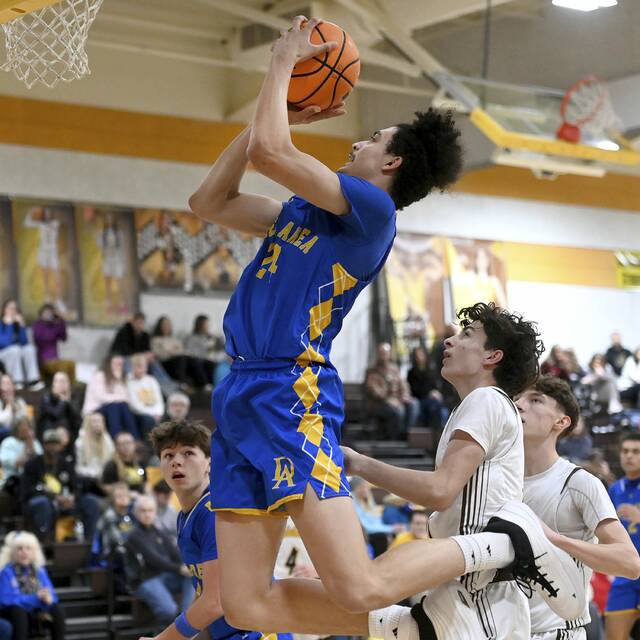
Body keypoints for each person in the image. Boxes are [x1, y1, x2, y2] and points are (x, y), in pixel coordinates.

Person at [189, 18, 579, 640]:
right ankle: (407, 626)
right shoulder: (305, 214)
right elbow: (208, 202)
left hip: (292, 393)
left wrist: (284, 66)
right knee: (245, 606)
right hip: (240, 394)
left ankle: (510, 544)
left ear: (391, 161)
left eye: (371, 138)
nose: (357, 143)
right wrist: (264, 120)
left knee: (357, 583)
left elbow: (273, 152)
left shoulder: (372, 213)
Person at [343, 303, 586, 640]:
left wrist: (361, 464)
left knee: (359, 590)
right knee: (336, 601)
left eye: (467, 334)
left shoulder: (486, 399)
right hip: (471, 591)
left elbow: (439, 491)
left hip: (479, 593)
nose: (449, 341)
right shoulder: (477, 405)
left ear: (492, 357)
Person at [516, 375, 640, 640]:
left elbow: (629, 562)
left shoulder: (579, 482)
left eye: (534, 400)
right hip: (505, 631)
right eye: (517, 398)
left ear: (561, 422)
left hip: (556, 631)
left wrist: (554, 539)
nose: (519, 405)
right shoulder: (498, 481)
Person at [146, 419, 292, 640]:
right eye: (168, 455)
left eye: (188, 453)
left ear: (209, 465)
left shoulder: (212, 512)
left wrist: (164, 639)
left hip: (258, 633)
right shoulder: (185, 516)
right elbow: (204, 593)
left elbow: (215, 602)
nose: (177, 462)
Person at [124, 495, 194, 628]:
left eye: (150, 511)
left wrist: (187, 566)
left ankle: (186, 620)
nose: (147, 514)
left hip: (164, 577)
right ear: (136, 513)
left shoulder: (158, 532)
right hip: (144, 579)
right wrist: (179, 568)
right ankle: (165, 633)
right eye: (143, 511)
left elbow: (175, 553)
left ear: (155, 512)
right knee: (169, 610)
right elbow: (153, 559)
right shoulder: (134, 535)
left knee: (191, 576)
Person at [20, 428, 101, 542]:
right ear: (44, 445)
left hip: (65, 503)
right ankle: (45, 544)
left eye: (55, 443)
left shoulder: (66, 463)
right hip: (42, 503)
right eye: (49, 443)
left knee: (90, 502)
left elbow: (76, 485)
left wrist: (73, 497)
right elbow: (28, 490)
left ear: (60, 446)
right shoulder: (32, 465)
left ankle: (90, 542)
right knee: (42, 503)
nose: (53, 447)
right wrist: (54, 498)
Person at [604, 432, 640, 639]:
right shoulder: (615, 489)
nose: (629, 456)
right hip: (624, 576)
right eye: (625, 451)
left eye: (636, 452)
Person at [0, 530, 65, 640]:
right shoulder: (7, 571)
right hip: (12, 612)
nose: (24, 552)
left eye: (28, 548)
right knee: (18, 611)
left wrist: (49, 599)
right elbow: (7, 600)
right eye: (20, 549)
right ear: (13, 553)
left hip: (36, 609)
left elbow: (52, 594)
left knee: (56, 608)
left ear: (34, 552)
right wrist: (35, 598)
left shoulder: (40, 571)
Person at [83, 354, 153, 441]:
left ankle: (135, 442)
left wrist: (118, 380)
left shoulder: (123, 378)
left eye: (121, 364)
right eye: (116, 363)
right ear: (109, 364)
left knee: (124, 406)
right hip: (95, 409)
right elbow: (100, 397)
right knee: (114, 405)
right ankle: (117, 439)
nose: (119, 366)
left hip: (117, 407)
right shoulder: (99, 376)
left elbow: (126, 398)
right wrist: (118, 398)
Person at [365, 342, 420, 439]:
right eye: (382, 353)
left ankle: (406, 432)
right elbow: (373, 389)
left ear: (389, 354)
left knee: (414, 404)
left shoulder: (395, 369)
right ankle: (396, 437)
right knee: (398, 410)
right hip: (379, 404)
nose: (384, 356)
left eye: (386, 353)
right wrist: (388, 399)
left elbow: (403, 384)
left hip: (396, 400)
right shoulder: (372, 371)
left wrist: (405, 395)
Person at [111, 312, 176, 394]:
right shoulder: (123, 333)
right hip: (124, 358)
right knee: (130, 362)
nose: (140, 325)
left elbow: (147, 350)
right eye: (138, 322)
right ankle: (132, 387)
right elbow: (123, 351)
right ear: (133, 322)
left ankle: (169, 388)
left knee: (154, 363)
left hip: (140, 359)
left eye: (142, 323)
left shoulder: (145, 335)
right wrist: (142, 355)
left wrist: (149, 356)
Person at [151, 316, 213, 390]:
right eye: (164, 325)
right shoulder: (156, 340)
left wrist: (173, 351)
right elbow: (159, 354)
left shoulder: (174, 339)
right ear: (160, 326)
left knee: (192, 359)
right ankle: (182, 383)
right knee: (182, 359)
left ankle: (204, 383)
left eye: (168, 325)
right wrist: (171, 353)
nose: (167, 327)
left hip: (178, 360)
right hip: (166, 362)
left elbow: (182, 350)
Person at [0, 299, 43, 391]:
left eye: (15, 309)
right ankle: (16, 381)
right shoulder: (1, 324)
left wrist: (22, 327)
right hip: (3, 353)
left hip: (16, 352)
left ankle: (33, 380)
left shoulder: (17, 324)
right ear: (4, 310)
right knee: (15, 349)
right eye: (10, 308)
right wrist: (9, 326)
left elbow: (24, 342)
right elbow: (4, 343)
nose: (13, 311)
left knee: (30, 349)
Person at [31, 303, 75, 385]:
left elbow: (63, 338)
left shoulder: (54, 325)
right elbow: (39, 340)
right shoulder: (38, 325)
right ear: (41, 314)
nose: (48, 315)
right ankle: (61, 386)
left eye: (50, 313)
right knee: (62, 366)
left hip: (55, 358)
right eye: (46, 312)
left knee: (71, 364)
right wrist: (53, 326)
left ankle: (72, 386)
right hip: (44, 359)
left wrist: (61, 321)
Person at [407, 345, 449, 429]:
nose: (419, 357)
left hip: (432, 399)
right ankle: (434, 432)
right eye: (417, 355)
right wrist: (429, 393)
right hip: (419, 399)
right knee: (433, 406)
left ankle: (437, 432)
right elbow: (414, 390)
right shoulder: (411, 372)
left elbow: (435, 386)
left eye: (421, 354)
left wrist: (436, 392)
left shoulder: (431, 370)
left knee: (437, 405)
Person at [75, 412, 115, 496]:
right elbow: (78, 467)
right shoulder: (80, 442)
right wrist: (95, 474)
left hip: (104, 478)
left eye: (99, 421)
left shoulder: (107, 440)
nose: (97, 424)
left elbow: (111, 462)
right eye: (94, 421)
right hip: (89, 479)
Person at [36, 370, 81, 441]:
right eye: (59, 381)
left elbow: (77, 418)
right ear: (54, 384)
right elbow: (55, 414)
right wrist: (63, 401)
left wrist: (68, 402)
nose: (61, 384)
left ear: (69, 384)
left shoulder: (74, 397)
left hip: (69, 434)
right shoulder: (46, 397)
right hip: (49, 431)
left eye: (64, 381)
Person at [101, 431, 147, 495]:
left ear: (134, 445)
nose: (126, 446)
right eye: (122, 444)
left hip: (140, 497)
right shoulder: (112, 465)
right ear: (117, 446)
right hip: (121, 499)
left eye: (129, 443)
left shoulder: (140, 462)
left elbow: (146, 483)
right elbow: (106, 486)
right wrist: (127, 494)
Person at [126, 353, 165, 424]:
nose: (142, 370)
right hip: (139, 413)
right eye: (138, 367)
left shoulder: (151, 380)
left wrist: (159, 413)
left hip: (155, 413)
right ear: (132, 367)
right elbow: (134, 405)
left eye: (144, 367)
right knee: (148, 420)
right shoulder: (128, 381)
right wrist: (152, 414)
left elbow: (159, 400)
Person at [0, 373, 29, 440]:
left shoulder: (20, 402)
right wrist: (9, 406)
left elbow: (24, 421)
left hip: (18, 437)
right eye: (3, 384)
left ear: (13, 387)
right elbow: (2, 422)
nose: (5, 388)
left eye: (8, 384)